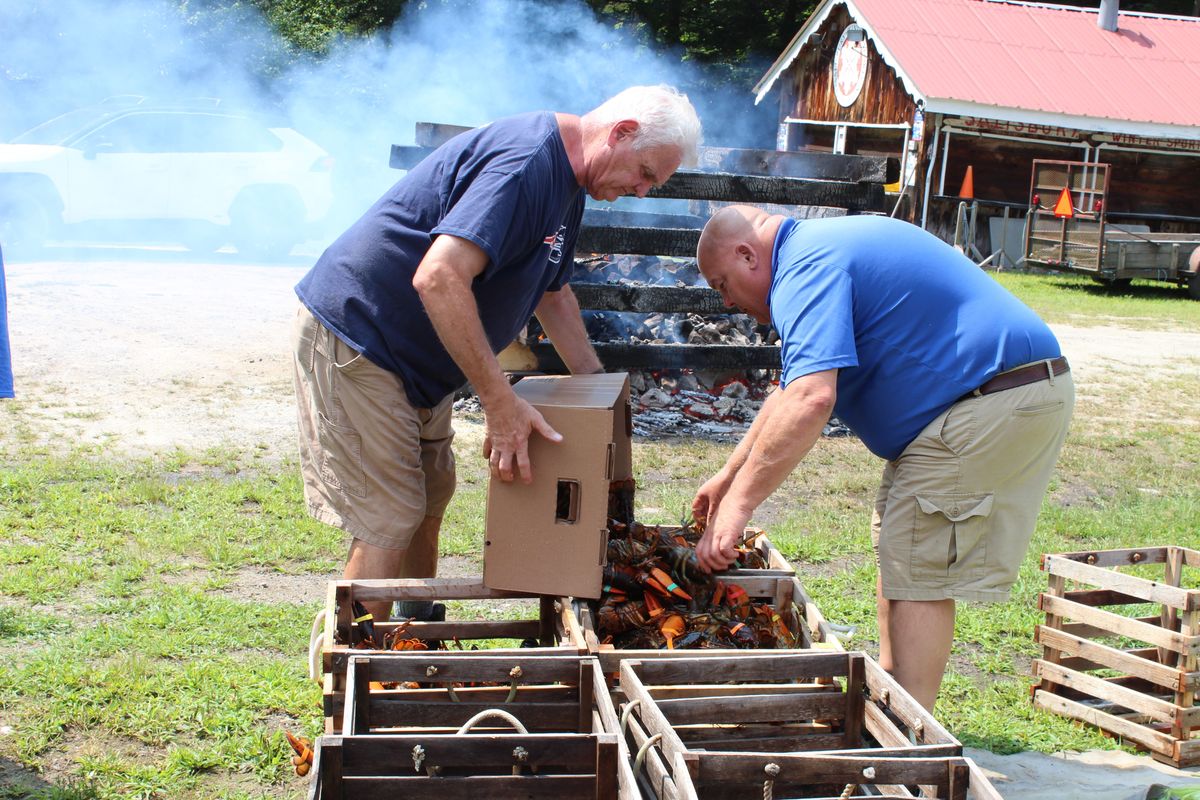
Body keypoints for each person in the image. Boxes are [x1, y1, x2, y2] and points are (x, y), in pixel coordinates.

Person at [292, 85, 701, 622]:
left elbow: (554, 293)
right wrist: (499, 403)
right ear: (621, 133)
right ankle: (354, 672)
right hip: (362, 337)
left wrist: (598, 388)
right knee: (390, 515)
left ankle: (415, 638)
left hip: (414, 360)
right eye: (646, 173)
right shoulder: (528, 165)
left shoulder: (569, 186)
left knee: (430, 495)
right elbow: (438, 277)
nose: (644, 192)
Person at [691, 205, 1073, 710]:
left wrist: (736, 511)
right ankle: (895, 704)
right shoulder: (811, 254)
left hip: (989, 397)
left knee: (920, 562)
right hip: (979, 398)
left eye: (723, 284)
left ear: (747, 254)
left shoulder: (804, 268)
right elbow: (788, 391)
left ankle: (910, 747)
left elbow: (812, 399)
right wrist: (727, 476)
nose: (728, 301)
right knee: (903, 546)